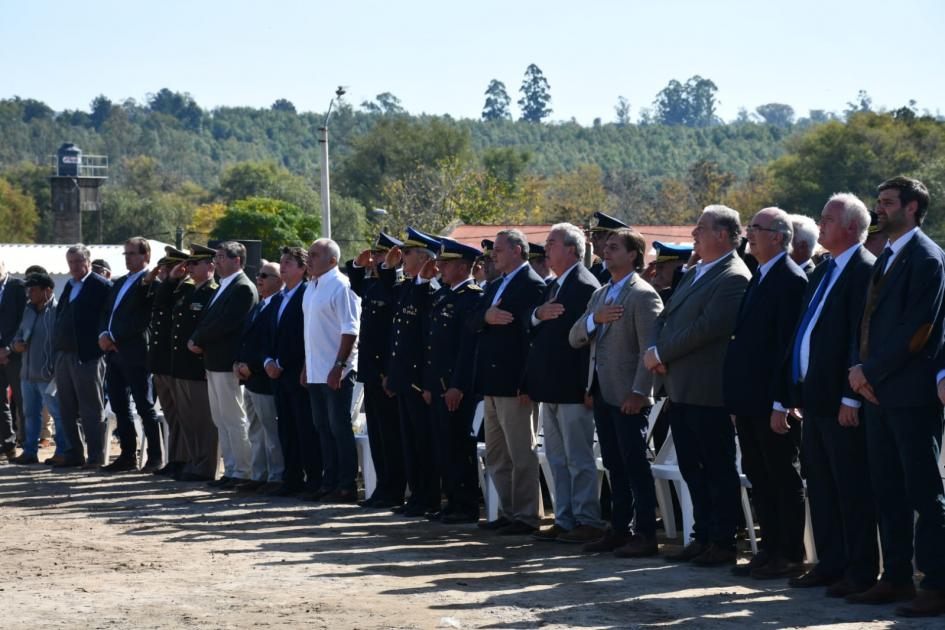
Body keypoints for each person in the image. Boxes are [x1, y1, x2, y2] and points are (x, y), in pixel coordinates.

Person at [773, 194, 879, 597]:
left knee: (850, 487)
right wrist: (790, 391)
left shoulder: (865, 270)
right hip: (812, 398)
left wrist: (850, 398)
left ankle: (859, 569)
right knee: (820, 484)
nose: (822, 225)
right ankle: (830, 563)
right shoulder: (823, 270)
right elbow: (805, 332)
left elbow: (859, 338)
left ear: (851, 228)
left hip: (840, 400)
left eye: (829, 220)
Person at [848, 176, 945, 617]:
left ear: (912, 208)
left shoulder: (927, 259)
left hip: (910, 395)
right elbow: (866, 323)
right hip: (876, 394)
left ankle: (937, 583)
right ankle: (897, 577)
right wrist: (858, 372)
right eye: (878, 201)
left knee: (923, 492)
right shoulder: (885, 256)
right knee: (886, 489)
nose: (878, 209)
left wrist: (869, 370)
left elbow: (918, 332)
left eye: (887, 203)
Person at [644, 206, 751, 566]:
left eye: (701, 228)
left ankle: (723, 542)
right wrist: (655, 350)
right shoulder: (695, 272)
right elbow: (667, 315)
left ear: (723, 234)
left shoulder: (733, 276)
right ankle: (702, 535)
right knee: (693, 467)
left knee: (716, 469)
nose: (694, 234)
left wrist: (661, 351)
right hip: (680, 387)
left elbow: (709, 328)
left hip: (707, 389)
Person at [723, 208, 808, 579]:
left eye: (755, 229)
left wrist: (781, 402)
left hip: (772, 402)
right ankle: (770, 548)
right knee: (759, 475)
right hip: (750, 400)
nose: (748, 234)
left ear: (777, 236)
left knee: (782, 477)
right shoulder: (761, 274)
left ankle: (789, 553)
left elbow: (784, 348)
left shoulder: (790, 279)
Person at [570, 227, 663, 555]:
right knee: (613, 463)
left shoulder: (643, 295)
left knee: (635, 464)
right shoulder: (600, 294)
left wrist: (639, 392)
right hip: (602, 393)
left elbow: (648, 350)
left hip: (628, 396)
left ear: (633, 255)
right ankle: (619, 528)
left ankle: (646, 533)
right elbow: (575, 336)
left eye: (613, 247)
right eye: (604, 247)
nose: (604, 252)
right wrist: (595, 320)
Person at [524, 223, 605, 544]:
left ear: (572, 249)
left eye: (552, 243)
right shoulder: (555, 284)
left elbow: (590, 342)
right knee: (557, 458)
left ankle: (587, 519)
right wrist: (537, 314)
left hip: (573, 388)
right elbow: (533, 323)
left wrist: (589, 386)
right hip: (551, 386)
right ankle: (565, 517)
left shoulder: (585, 285)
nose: (546, 249)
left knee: (578, 458)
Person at [469, 228, 546, 535]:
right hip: (491, 381)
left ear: (517, 250)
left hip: (515, 383)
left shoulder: (532, 285)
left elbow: (531, 340)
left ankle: (527, 515)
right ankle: (509, 510)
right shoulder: (496, 284)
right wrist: (486, 317)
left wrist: (527, 382)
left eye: (498, 250)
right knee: (497, 454)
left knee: (520, 452)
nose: (493, 256)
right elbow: (471, 321)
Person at [421, 237, 483, 524]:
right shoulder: (444, 296)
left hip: (456, 387)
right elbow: (433, 346)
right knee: (442, 445)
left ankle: (466, 504)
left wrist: (457, 385)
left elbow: (465, 349)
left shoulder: (471, 298)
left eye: (446, 264)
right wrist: (430, 385)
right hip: (439, 386)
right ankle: (452, 500)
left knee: (459, 445)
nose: (440, 268)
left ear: (462, 267)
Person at [382, 227, 441, 515]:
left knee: (423, 442)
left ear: (424, 259)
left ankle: (427, 497)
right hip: (405, 379)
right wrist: (393, 375)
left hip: (420, 380)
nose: (402, 257)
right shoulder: (407, 285)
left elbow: (425, 337)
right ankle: (416, 495)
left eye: (407, 253)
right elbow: (394, 331)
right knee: (410, 443)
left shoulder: (430, 288)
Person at [190, 241, 258, 488]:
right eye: (216, 257)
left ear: (237, 260)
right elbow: (208, 318)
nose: (216, 261)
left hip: (228, 362)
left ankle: (243, 471)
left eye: (221, 257)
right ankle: (230, 469)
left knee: (233, 418)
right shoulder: (223, 286)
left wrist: (198, 339)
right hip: (214, 361)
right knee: (221, 419)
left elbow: (226, 323)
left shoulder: (242, 288)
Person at [346, 232, 406, 508]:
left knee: (392, 437)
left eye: (381, 256)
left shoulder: (397, 286)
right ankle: (383, 487)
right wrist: (358, 266)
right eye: (376, 256)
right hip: (370, 370)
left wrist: (387, 269)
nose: (376, 261)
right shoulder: (373, 286)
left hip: (386, 372)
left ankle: (394, 489)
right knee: (378, 437)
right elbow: (357, 285)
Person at [98, 236, 164, 472]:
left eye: (133, 254)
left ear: (146, 256)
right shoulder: (119, 282)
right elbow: (106, 312)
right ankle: (127, 454)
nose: (128, 258)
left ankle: (155, 456)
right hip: (113, 353)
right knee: (118, 404)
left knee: (145, 406)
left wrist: (115, 337)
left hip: (135, 352)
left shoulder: (150, 284)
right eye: (126, 254)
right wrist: (103, 335)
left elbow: (142, 320)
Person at [302, 238, 361, 503]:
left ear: (333, 260)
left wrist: (339, 366)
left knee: (339, 428)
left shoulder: (342, 286)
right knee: (322, 428)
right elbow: (310, 333)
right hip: (315, 370)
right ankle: (329, 481)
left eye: (315, 255)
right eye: (309, 254)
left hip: (337, 371)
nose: (309, 259)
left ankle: (346, 485)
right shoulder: (311, 286)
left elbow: (350, 330)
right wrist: (306, 365)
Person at [156, 246, 219, 481]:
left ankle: (205, 467)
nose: (189, 268)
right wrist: (171, 280)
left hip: (197, 367)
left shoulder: (212, 293)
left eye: (195, 264)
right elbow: (161, 304)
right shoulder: (188, 291)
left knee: (203, 422)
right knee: (188, 421)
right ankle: (193, 463)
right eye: (189, 264)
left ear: (210, 266)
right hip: (180, 366)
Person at [264, 248, 320, 498]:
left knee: (304, 427)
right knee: (285, 426)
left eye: (289, 262)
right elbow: (268, 335)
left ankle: (313, 480)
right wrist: (267, 360)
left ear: (303, 268)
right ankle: (292, 478)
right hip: (276, 373)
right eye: (281, 262)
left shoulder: (307, 294)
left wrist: (282, 363)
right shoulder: (278, 298)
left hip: (298, 371)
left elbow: (304, 337)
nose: (282, 266)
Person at [53, 244, 112, 468]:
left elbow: (107, 317)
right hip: (64, 354)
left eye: (78, 261)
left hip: (87, 355)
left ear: (88, 261)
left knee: (90, 407)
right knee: (66, 406)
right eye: (71, 262)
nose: (74, 266)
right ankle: (74, 453)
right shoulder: (69, 285)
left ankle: (95, 455)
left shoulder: (101, 285)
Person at [238, 260, 285, 492]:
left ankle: (276, 476)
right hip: (249, 377)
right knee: (255, 430)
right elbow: (248, 339)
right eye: (259, 274)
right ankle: (259, 474)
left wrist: (253, 367)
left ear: (279, 281)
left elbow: (269, 344)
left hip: (264, 377)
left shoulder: (278, 304)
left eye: (265, 275)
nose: (260, 278)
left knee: (271, 431)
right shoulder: (260, 304)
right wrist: (239, 362)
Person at [144, 250, 189, 478]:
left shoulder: (183, 289)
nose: (162, 272)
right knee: (171, 415)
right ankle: (175, 458)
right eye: (163, 269)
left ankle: (182, 459)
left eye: (167, 268)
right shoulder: (164, 288)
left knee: (181, 416)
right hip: (160, 363)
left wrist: (171, 280)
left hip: (173, 364)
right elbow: (152, 304)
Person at [10, 273, 63, 465]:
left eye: (33, 289)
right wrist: (16, 345)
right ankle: (30, 451)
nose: (29, 293)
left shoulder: (58, 311)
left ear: (47, 290)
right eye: (28, 289)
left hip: (48, 374)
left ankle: (62, 451)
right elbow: (18, 335)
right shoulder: (28, 310)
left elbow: (61, 343)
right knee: (30, 414)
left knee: (58, 414)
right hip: (27, 374)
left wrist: (55, 370)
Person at [0, 259, 27, 462]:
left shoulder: (17, 287)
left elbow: (23, 320)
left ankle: (27, 446)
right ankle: (7, 444)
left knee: (21, 399)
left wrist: (8, 348)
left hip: (15, 354)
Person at [587, 212, 629, 284]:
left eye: (598, 236)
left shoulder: (621, 271)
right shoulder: (597, 267)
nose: (592, 240)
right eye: (593, 235)